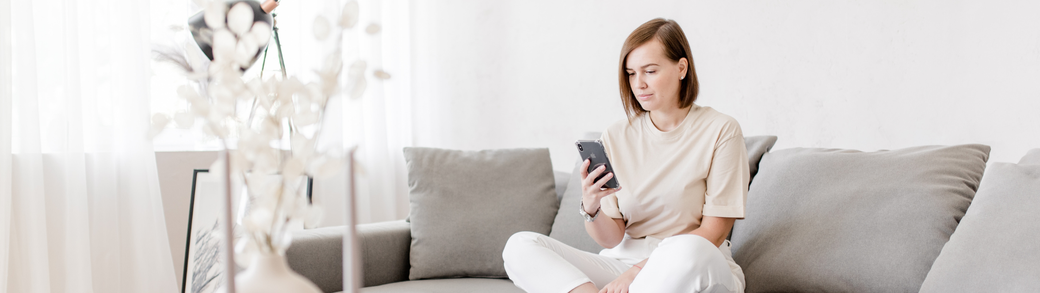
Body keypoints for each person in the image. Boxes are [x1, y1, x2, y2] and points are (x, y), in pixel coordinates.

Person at [502, 18, 749, 293]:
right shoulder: (616, 135)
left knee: (688, 248)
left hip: (694, 264)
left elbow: (713, 233)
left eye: (650, 71)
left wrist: (634, 274)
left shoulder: (721, 130)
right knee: (520, 245)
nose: (638, 83)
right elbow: (611, 239)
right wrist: (592, 207)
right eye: (631, 73)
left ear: (681, 68)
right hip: (622, 262)